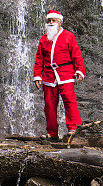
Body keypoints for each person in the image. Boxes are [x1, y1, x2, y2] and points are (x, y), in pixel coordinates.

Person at [33, 9, 85, 139]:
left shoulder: (68, 36)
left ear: (59, 22)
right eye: (48, 21)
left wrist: (79, 70)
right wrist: (37, 75)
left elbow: (77, 55)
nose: (50, 23)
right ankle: (52, 133)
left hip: (66, 74)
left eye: (53, 20)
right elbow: (39, 59)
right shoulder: (44, 39)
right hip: (49, 76)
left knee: (69, 101)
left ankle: (74, 129)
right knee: (49, 105)